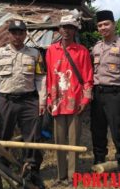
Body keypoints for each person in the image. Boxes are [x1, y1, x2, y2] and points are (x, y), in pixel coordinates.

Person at [0, 20, 46, 189]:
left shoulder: (34, 54)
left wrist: (42, 101)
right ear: (8, 34)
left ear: (25, 34)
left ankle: (32, 172)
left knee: (33, 137)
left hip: (29, 101)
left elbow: (40, 78)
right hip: (6, 100)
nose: (17, 36)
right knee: (3, 136)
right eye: (14, 33)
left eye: (21, 33)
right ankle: (2, 171)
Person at [45, 14, 93, 186]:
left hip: (75, 104)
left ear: (75, 30)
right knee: (59, 141)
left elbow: (88, 78)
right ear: (59, 29)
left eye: (70, 27)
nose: (66, 30)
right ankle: (61, 175)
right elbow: (49, 77)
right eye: (64, 26)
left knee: (73, 141)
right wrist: (49, 100)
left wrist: (85, 101)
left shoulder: (82, 51)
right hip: (57, 103)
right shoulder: (51, 50)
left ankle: (73, 176)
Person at [91, 10, 120, 184]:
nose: (103, 28)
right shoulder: (96, 47)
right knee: (98, 130)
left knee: (119, 131)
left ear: (114, 24)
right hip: (98, 94)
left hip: (116, 95)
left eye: (106, 24)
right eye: (100, 25)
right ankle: (99, 162)